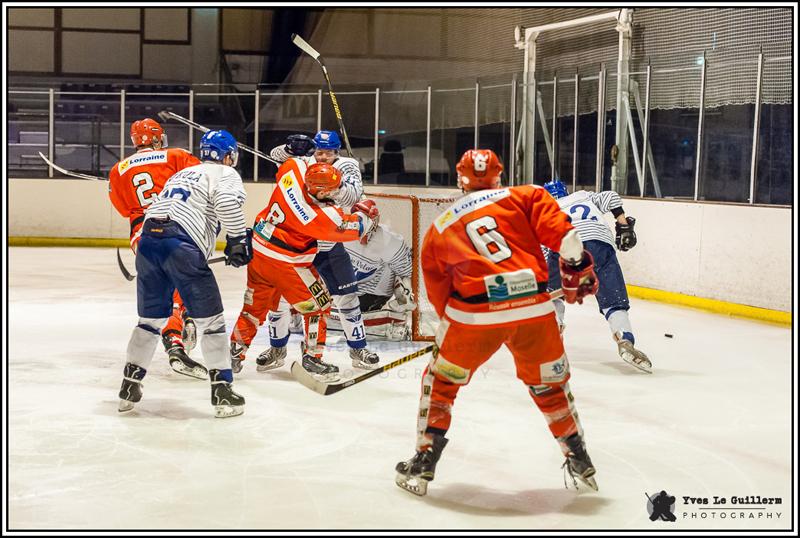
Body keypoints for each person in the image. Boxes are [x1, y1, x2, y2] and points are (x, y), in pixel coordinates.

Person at [395, 149, 600, 496]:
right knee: (549, 385)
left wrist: (454, 328)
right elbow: (567, 241)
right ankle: (578, 455)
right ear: (499, 175)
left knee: (441, 382)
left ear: (460, 180)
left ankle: (425, 458)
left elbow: (438, 291)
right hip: (533, 309)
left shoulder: (441, 226)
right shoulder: (527, 195)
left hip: (472, 317)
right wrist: (578, 268)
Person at [117, 130, 252, 418]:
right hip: (181, 244)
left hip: (148, 241)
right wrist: (238, 240)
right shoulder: (225, 173)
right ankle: (223, 391)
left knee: (149, 322)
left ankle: (129, 386)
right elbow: (227, 203)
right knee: (212, 323)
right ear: (228, 155)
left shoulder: (182, 174)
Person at [229, 160, 379, 381]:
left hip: (259, 253)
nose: (337, 192)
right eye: (333, 190)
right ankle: (312, 357)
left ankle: (234, 353)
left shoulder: (294, 170)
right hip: (287, 263)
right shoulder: (321, 217)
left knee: (254, 308)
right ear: (321, 192)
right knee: (318, 306)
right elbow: (358, 228)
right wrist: (368, 214)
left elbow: (290, 161)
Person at [108, 118, 206, 380]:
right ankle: (181, 327)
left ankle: (177, 333)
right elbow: (204, 182)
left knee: (167, 286)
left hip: (142, 234)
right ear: (156, 138)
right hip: (176, 226)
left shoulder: (118, 169)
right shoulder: (176, 156)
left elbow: (123, 209)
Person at [542, 179, 651, 373]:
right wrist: (623, 225)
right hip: (600, 243)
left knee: (553, 296)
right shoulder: (583, 196)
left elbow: (544, 253)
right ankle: (624, 338)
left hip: (564, 243)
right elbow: (612, 196)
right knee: (614, 303)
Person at [326, 213, 416, 341]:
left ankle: (394, 315)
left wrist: (406, 293)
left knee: (399, 273)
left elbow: (407, 272)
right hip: (340, 291)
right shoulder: (336, 229)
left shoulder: (388, 241)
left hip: (371, 294)